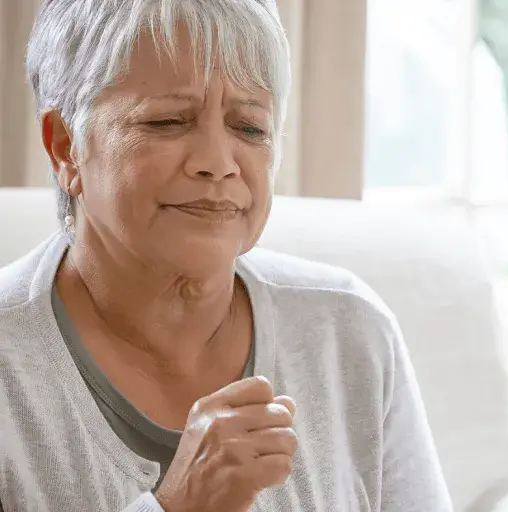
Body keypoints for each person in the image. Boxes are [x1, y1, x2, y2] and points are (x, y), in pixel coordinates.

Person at [0, 0, 452, 510]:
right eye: (168, 121)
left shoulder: (348, 328)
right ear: (66, 147)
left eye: (249, 128)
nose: (218, 163)